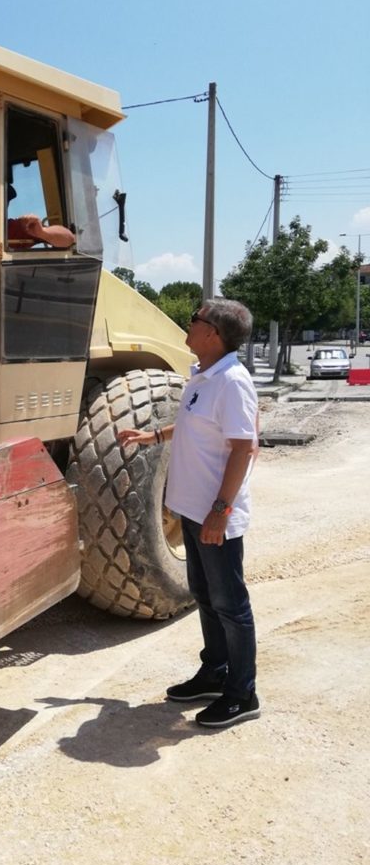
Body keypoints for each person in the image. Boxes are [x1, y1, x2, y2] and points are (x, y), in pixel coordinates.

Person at [117, 298, 260, 728]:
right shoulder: (203, 377)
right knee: (206, 597)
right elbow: (198, 424)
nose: (189, 323)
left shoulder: (232, 381)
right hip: (194, 511)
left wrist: (220, 510)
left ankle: (243, 693)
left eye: (196, 319)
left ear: (213, 334)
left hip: (215, 514)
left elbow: (243, 447)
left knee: (231, 605)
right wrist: (152, 436)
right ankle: (215, 672)